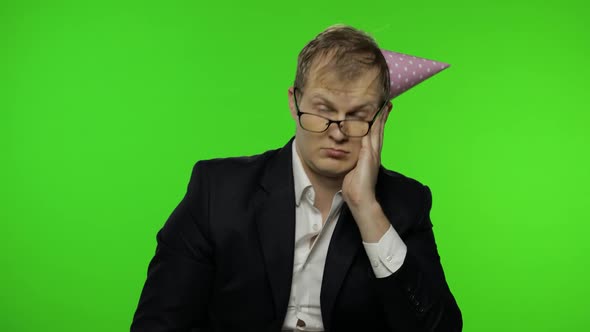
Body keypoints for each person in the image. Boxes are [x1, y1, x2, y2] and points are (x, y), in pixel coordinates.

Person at [131, 24, 462, 331]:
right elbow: (158, 323)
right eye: (322, 110)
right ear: (294, 101)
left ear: (382, 117)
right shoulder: (217, 191)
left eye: (358, 116)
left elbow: (439, 328)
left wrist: (367, 210)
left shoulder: (406, 204)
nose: (338, 132)